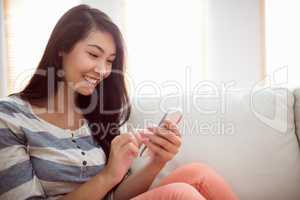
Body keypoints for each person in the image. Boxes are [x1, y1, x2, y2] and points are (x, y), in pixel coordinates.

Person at [0, 4, 239, 200]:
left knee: (199, 174)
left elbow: (116, 196)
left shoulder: (96, 115)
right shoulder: (9, 117)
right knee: (180, 194)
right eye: (93, 55)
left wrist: (157, 162)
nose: (103, 70)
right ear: (62, 47)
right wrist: (109, 175)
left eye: (110, 61)